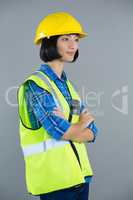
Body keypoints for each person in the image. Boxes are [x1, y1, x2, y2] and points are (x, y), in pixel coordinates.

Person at [17, 11, 98, 200]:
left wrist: (75, 128)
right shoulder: (36, 86)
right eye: (65, 39)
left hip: (80, 178)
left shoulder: (69, 87)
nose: (73, 45)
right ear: (50, 43)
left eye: (76, 39)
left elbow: (93, 131)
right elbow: (59, 131)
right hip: (56, 183)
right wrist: (78, 126)